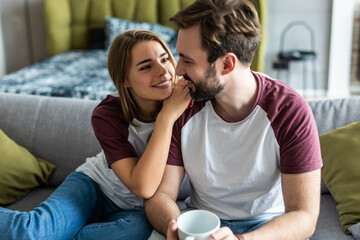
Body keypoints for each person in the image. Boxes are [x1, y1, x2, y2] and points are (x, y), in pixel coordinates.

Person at [144, 0, 323, 240]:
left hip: (267, 229)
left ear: (227, 64)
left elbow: (304, 216)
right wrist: (174, 226)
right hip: (202, 224)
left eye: (187, 60)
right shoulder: (183, 103)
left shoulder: (289, 111)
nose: (177, 70)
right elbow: (160, 195)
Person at [0, 30, 191, 240]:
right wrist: (166, 118)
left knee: (142, 232)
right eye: (146, 66)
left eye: (165, 59)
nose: (164, 71)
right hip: (94, 187)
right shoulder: (107, 114)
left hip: (138, 209)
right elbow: (143, 186)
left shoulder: (187, 101)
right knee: (32, 231)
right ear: (125, 79)